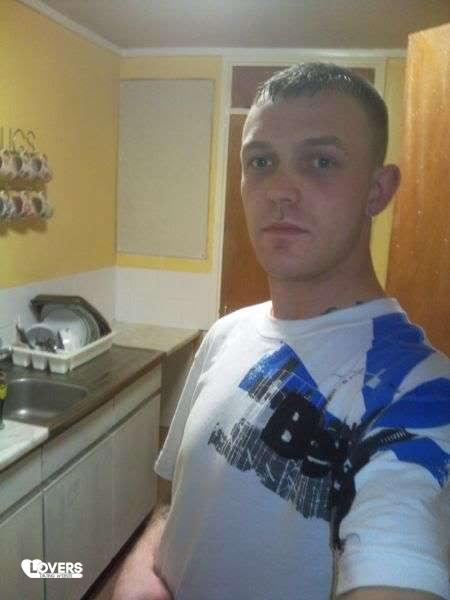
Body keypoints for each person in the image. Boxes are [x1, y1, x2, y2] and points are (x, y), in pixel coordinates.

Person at [112, 63, 450, 600]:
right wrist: (140, 575)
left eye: (321, 161)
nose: (280, 191)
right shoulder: (224, 334)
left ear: (378, 190)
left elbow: (400, 557)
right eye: (261, 162)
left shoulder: (418, 394)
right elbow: (177, 504)